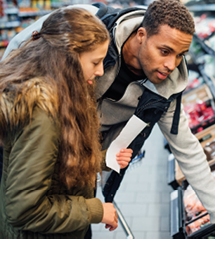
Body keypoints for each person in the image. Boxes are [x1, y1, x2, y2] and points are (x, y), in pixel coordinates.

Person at [4, 0, 215, 239]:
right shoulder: (88, 25)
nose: (171, 65)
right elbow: (21, 48)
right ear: (141, 35)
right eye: (164, 51)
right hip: (36, 143)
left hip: (80, 163)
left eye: (180, 55)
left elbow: (187, 149)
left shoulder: (166, 86)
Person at [0, 7, 133, 239]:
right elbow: (23, 209)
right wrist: (95, 210)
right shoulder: (41, 113)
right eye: (95, 62)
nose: (101, 71)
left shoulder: (63, 93)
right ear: (69, 59)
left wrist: (100, 159)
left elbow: (55, 162)